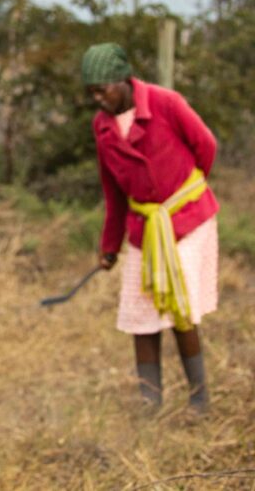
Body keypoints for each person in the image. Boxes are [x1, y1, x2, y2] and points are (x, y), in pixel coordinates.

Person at [84, 43, 218, 412]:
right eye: (92, 92)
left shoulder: (165, 103)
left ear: (124, 80)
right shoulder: (103, 126)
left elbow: (205, 145)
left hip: (187, 220)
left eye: (103, 89)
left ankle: (199, 401)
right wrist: (110, 245)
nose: (99, 99)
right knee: (140, 312)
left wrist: (182, 194)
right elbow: (113, 192)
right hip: (145, 225)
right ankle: (150, 403)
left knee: (179, 306)